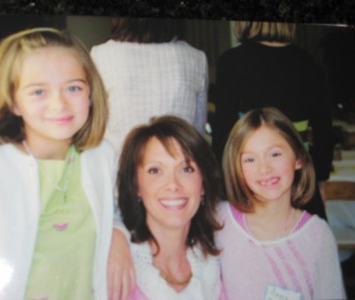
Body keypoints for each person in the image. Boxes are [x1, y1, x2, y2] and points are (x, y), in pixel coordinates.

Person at [0, 28, 115, 299]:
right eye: (39, 92)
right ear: (13, 102)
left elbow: (119, 208)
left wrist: (119, 236)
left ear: (90, 94)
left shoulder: (101, 155)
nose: (59, 104)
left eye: (73, 88)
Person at [217, 107, 345, 299]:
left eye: (275, 154)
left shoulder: (317, 236)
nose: (264, 168)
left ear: (299, 159)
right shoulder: (220, 221)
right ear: (237, 169)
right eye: (250, 159)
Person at [211, 21, 333, 220]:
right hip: (297, 181)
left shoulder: (232, 62)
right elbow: (324, 134)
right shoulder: (310, 64)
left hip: (249, 182)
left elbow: (222, 135)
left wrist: (222, 188)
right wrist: (320, 183)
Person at [115, 115, 223, 299]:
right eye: (155, 170)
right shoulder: (116, 268)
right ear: (136, 186)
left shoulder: (219, 265)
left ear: (203, 183)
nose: (173, 184)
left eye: (186, 169)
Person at [91, 17, 209, 155]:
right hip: (177, 170)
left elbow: (93, 133)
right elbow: (197, 135)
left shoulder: (100, 56)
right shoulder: (196, 58)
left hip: (118, 172)